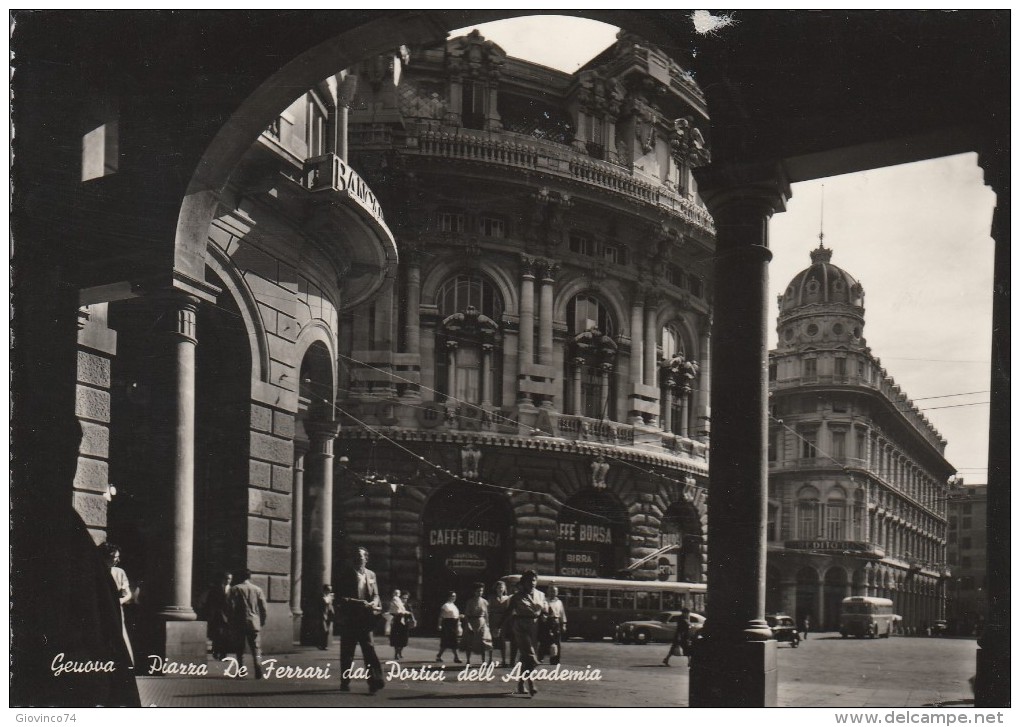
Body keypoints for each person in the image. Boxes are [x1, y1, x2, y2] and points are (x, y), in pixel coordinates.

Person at [336, 546, 384, 694]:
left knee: (369, 650)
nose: (358, 559)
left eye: (361, 557)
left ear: (366, 559)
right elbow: (340, 598)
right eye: (356, 557)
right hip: (350, 619)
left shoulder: (371, 575)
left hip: (366, 619)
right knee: (347, 652)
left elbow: (376, 594)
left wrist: (374, 603)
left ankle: (374, 682)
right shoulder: (345, 574)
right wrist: (358, 602)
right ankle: (345, 681)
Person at [501, 570, 545, 697]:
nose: (532, 583)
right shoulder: (517, 597)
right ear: (524, 582)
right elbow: (508, 612)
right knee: (530, 655)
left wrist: (545, 615)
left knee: (525, 657)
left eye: (534, 580)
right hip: (520, 625)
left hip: (535, 626)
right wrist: (498, 627)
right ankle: (531, 683)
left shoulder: (541, 595)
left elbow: (544, 609)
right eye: (529, 580)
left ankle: (521, 683)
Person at [100, 543, 135, 666]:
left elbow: (128, 594)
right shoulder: (97, 572)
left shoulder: (119, 572)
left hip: (116, 610)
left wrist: (118, 601)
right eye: (115, 557)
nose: (118, 560)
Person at [230, 568, 268, 679]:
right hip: (254, 622)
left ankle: (241, 670)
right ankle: (258, 667)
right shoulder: (257, 589)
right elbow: (263, 608)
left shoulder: (235, 589)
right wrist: (262, 620)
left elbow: (231, 606)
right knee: (256, 647)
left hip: (239, 622)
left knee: (239, 648)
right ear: (249, 577)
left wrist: (231, 620)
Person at [200, 571, 233, 659]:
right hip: (217, 615)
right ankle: (216, 651)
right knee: (217, 635)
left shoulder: (232, 590)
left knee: (225, 636)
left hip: (228, 616)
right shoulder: (216, 589)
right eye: (227, 578)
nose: (228, 580)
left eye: (230, 579)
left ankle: (223, 654)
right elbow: (210, 602)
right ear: (223, 579)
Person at [463, 582, 492, 666]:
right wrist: (468, 624)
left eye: (481, 591)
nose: (480, 593)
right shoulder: (470, 602)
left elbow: (486, 614)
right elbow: (467, 615)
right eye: (478, 591)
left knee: (483, 641)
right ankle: (468, 660)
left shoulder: (485, 602)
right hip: (472, 622)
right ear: (474, 592)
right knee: (470, 642)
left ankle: (483, 660)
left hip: (482, 622)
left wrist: (487, 624)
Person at [487, 580, 510, 666]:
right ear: (496, 588)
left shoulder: (507, 598)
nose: (500, 589)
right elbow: (488, 609)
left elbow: (508, 610)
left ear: (504, 589)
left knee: (502, 640)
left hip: (503, 621)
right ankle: (490, 660)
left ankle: (504, 660)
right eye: (499, 587)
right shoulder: (491, 598)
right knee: (492, 639)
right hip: (493, 620)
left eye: (502, 587)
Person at [436, 591, 462, 663]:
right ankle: (456, 657)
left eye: (455, 596)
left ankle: (439, 655)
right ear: (449, 597)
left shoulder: (454, 605)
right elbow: (441, 616)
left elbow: (455, 615)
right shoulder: (445, 605)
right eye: (452, 596)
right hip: (448, 624)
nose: (454, 598)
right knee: (451, 640)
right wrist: (439, 625)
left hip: (454, 623)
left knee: (450, 641)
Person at [544, 585, 567, 665]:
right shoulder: (544, 601)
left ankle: (555, 660)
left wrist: (563, 624)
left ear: (557, 592)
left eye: (554, 591)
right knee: (546, 640)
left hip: (556, 621)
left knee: (557, 642)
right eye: (551, 591)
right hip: (547, 621)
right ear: (547, 592)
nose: (552, 593)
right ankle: (541, 657)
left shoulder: (559, 602)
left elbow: (562, 613)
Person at [388, 589, 411, 660]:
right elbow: (391, 613)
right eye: (403, 598)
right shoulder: (395, 603)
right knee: (396, 639)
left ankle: (400, 652)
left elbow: (410, 613)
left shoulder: (407, 605)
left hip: (405, 624)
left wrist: (412, 620)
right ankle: (396, 654)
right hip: (397, 623)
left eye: (406, 598)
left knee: (404, 640)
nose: (405, 600)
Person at [317, 584, 335, 650]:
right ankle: (320, 644)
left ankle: (324, 645)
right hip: (323, 614)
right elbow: (319, 606)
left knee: (327, 631)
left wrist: (333, 612)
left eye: (330, 590)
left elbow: (331, 605)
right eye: (328, 590)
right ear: (325, 590)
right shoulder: (321, 596)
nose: (330, 591)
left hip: (329, 614)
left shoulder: (331, 596)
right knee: (324, 630)